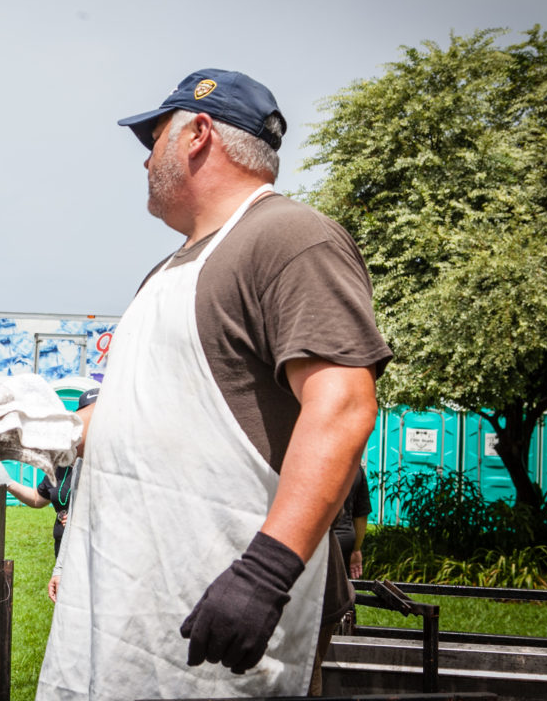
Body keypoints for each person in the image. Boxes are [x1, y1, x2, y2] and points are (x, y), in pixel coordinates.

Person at [37, 69, 392, 701]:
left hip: (230, 603)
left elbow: (342, 406)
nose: (145, 160)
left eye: (154, 139)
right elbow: (138, 413)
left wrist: (265, 573)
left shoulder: (290, 238)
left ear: (199, 133)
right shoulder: (166, 272)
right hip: (142, 600)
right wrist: (52, 431)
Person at [5, 387, 98, 558]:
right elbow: (37, 498)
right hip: (63, 552)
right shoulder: (64, 463)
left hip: (91, 553)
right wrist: (7, 483)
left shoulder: (109, 468)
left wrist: (83, 520)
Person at [332, 465, 371, 580]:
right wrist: (356, 549)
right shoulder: (354, 467)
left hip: (314, 542)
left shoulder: (304, 462)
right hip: (343, 542)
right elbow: (361, 515)